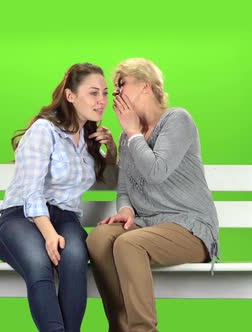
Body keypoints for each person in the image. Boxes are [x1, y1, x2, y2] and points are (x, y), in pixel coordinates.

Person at [86, 58, 220, 332]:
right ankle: (120, 327)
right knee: (99, 239)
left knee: (129, 244)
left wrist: (134, 132)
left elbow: (157, 171)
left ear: (145, 86)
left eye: (121, 84)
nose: (115, 93)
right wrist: (125, 210)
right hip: (148, 227)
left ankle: (143, 330)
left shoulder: (176, 120)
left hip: (190, 228)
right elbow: (124, 188)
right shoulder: (127, 137)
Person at [0, 63, 117, 332]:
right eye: (93, 93)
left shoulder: (89, 138)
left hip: (66, 218)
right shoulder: (44, 130)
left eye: (105, 93)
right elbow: (31, 191)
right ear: (70, 96)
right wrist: (49, 234)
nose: (101, 101)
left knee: (74, 260)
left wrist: (111, 148)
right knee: (40, 265)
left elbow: (110, 180)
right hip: (22, 218)